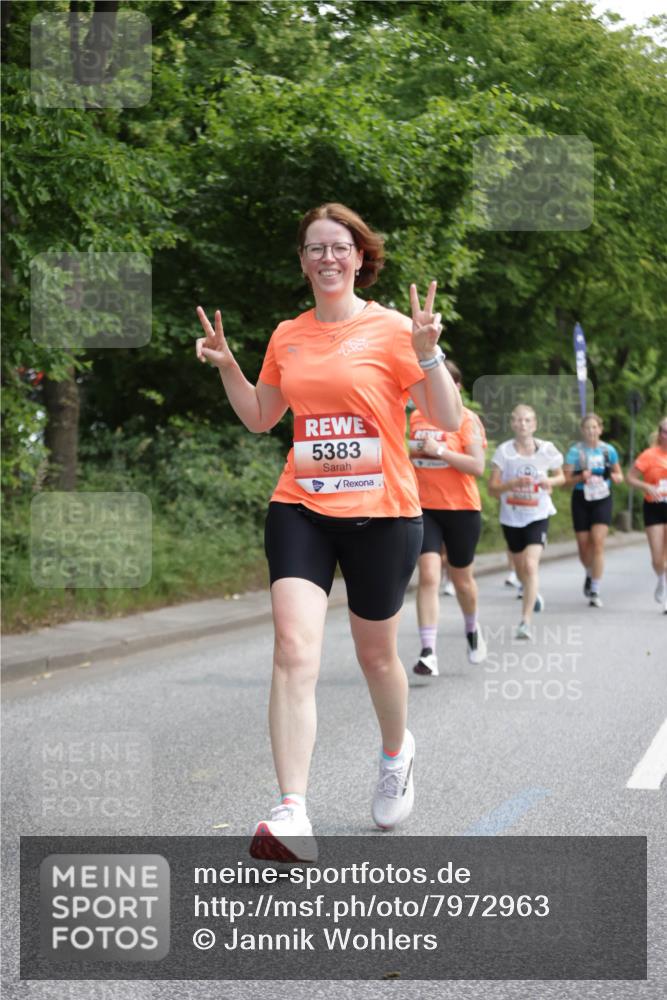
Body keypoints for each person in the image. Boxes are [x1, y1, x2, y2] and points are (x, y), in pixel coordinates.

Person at [195, 203, 461, 860]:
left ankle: (396, 752)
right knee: (292, 649)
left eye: (338, 246)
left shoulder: (397, 328)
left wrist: (428, 357)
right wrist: (228, 363)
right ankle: (291, 811)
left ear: (359, 256)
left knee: (376, 657)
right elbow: (262, 417)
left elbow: (445, 418)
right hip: (301, 506)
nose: (327, 258)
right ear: (303, 260)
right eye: (314, 248)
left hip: (384, 513)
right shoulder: (288, 334)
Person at [408, 360, 488, 672]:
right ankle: (428, 651)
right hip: (425, 508)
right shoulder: (416, 417)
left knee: (462, 580)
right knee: (428, 575)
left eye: (446, 383)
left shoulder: (467, 420)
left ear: (456, 388)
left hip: (462, 509)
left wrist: (439, 451)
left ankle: (471, 628)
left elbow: (477, 467)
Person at [488, 404, 565, 639]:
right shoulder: (504, 452)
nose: (523, 424)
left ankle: (525, 621)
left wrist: (550, 482)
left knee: (531, 566)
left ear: (535, 424)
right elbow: (492, 489)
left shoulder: (547, 449)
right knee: (521, 568)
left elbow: (562, 476)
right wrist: (511, 485)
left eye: (527, 420)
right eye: (519, 420)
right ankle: (532, 592)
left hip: (537, 514)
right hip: (511, 517)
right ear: (512, 424)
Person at [563, 414, 623, 608]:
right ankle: (590, 572)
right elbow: (565, 481)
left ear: (600, 429)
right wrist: (580, 476)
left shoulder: (608, 450)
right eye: (587, 428)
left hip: (602, 498)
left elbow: (618, 473)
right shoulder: (575, 452)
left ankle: (595, 589)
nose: (591, 431)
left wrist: (616, 478)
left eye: (594, 427)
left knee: (597, 543)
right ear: (583, 430)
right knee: (583, 546)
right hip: (581, 498)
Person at [626, 416, 667, 612]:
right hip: (654, 507)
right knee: (657, 558)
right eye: (664, 431)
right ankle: (661, 578)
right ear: (659, 434)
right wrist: (646, 486)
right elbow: (630, 478)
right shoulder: (648, 455)